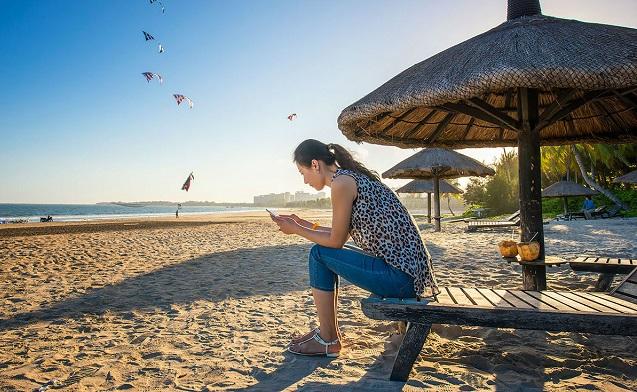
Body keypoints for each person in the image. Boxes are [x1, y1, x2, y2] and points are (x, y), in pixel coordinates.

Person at [271, 139, 438, 358]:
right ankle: (327, 334)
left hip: (401, 278)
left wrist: (295, 230)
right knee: (321, 252)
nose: (304, 181)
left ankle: (328, 338)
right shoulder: (350, 179)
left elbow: (335, 242)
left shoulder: (342, 184)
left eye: (303, 172)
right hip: (408, 274)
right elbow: (338, 233)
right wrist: (301, 223)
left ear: (315, 164)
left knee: (318, 253)